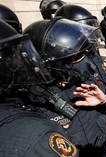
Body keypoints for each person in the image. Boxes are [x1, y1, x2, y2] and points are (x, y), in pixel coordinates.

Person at [24, 18, 106, 156]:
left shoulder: (85, 82)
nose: (85, 59)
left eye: (84, 53)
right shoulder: (35, 102)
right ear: (55, 63)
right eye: (76, 56)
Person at [0, 20, 78, 157]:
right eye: (13, 58)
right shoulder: (34, 135)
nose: (19, 63)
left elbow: (68, 109)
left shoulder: (33, 91)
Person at [54, 4, 106, 88]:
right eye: (83, 30)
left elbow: (101, 75)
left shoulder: (91, 51)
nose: (88, 34)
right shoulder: (64, 62)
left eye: (88, 29)